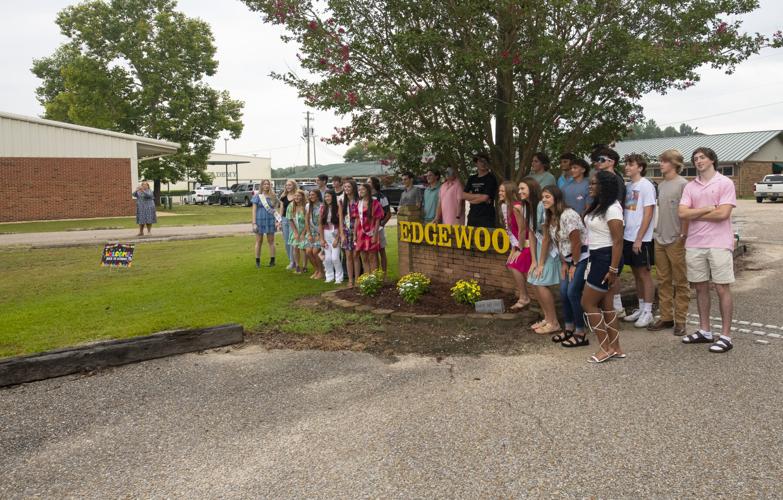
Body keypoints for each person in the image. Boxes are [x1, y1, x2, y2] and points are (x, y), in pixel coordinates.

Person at [679, 147, 737, 353]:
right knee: (700, 287)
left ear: (712, 160)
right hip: (695, 243)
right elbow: (682, 212)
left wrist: (694, 214)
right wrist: (706, 209)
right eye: (695, 159)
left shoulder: (725, 183)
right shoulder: (690, 186)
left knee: (722, 288)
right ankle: (705, 331)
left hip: (719, 243)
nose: (698, 161)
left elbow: (723, 214)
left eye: (702, 157)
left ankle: (726, 336)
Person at [581, 170, 625, 363]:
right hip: (597, 256)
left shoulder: (612, 209)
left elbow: (618, 241)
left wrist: (613, 269)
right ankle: (615, 347)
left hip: (606, 259)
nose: (589, 186)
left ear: (604, 186)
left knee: (588, 303)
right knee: (606, 305)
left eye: (593, 184)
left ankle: (604, 348)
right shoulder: (598, 206)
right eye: (589, 184)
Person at [540, 185, 591, 347]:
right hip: (568, 260)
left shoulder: (568, 215)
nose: (544, 200)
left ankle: (581, 332)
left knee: (572, 292)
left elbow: (576, 241)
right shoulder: (552, 216)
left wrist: (574, 264)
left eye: (547, 196)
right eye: (543, 197)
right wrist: (564, 263)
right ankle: (569, 328)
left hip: (581, 258)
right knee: (563, 293)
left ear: (556, 197)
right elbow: (559, 243)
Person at [648, 150, 689, 335]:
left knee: (680, 281)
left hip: (676, 240)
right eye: (660, 161)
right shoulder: (662, 185)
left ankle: (681, 320)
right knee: (663, 280)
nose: (660, 164)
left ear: (674, 163)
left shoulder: (683, 185)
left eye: (664, 161)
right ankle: (666, 318)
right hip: (660, 238)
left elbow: (687, 212)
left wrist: (683, 235)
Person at [621, 154, 657, 328]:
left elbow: (648, 213)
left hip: (641, 238)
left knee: (644, 274)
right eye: (626, 164)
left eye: (631, 164)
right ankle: (641, 307)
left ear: (640, 167)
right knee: (636, 274)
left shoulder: (646, 185)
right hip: (627, 236)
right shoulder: (628, 186)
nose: (627, 167)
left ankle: (649, 311)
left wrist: (639, 238)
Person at [591, 146, 627, 319]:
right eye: (596, 160)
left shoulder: (615, 180)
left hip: (608, 242)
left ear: (611, 162)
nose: (597, 163)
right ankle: (613, 306)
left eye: (601, 160)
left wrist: (613, 267)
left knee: (590, 301)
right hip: (597, 245)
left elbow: (615, 208)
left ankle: (618, 305)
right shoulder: (602, 179)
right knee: (604, 299)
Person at [526, 177, 561, 335]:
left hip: (549, 250)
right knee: (533, 279)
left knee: (540, 282)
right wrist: (533, 260)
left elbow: (546, 236)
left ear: (531, 190)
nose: (519, 192)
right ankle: (547, 317)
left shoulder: (541, 205)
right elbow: (531, 234)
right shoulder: (528, 206)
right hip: (539, 249)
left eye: (522, 189)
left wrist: (540, 263)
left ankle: (554, 322)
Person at [499, 181, 532, 310]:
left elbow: (523, 229)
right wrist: (513, 248)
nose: (500, 193)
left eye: (502, 191)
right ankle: (525, 297)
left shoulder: (517, 206)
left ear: (509, 192)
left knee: (514, 265)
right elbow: (512, 229)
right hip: (519, 243)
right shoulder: (506, 206)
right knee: (511, 264)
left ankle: (525, 297)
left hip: (528, 243)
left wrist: (519, 248)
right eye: (499, 191)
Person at [355, 183, 384, 273]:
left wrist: (375, 235)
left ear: (368, 190)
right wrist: (354, 235)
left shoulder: (375, 203)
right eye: (359, 190)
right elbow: (356, 220)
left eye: (363, 189)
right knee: (364, 257)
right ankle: (367, 278)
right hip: (361, 233)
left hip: (372, 233)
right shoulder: (358, 204)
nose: (361, 191)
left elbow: (378, 220)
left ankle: (374, 279)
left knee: (373, 257)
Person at [463, 153, 498, 228]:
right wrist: (479, 196)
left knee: (485, 239)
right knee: (471, 238)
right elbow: (463, 195)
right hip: (472, 216)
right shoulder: (472, 178)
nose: (483, 164)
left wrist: (471, 199)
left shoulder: (491, 178)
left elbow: (484, 198)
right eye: (481, 161)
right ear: (476, 163)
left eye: (485, 162)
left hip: (486, 217)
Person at [251, 179, 280, 268]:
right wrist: (254, 223)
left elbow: (275, 209)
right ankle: (257, 261)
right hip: (259, 220)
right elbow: (254, 210)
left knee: (271, 241)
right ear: (262, 186)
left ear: (270, 185)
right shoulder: (257, 196)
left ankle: (272, 261)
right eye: (265, 184)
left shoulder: (273, 196)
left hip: (270, 220)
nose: (266, 186)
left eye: (268, 184)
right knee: (259, 241)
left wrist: (276, 221)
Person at [338, 179, 360, 287]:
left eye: (349, 187)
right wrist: (341, 234)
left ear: (353, 188)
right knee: (348, 256)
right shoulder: (342, 200)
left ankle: (357, 279)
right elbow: (341, 218)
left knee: (356, 255)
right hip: (346, 230)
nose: (346, 189)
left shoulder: (358, 200)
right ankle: (350, 280)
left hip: (357, 230)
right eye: (345, 187)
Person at [319, 190, 344, 284]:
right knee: (327, 258)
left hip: (335, 233)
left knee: (335, 258)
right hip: (326, 234)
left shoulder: (338, 207)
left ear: (333, 197)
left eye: (329, 196)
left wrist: (337, 238)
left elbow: (341, 223)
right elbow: (320, 224)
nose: (327, 198)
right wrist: (322, 239)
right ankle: (329, 276)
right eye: (325, 197)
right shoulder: (322, 208)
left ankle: (339, 277)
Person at [369, 176, 392, 274]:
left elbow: (388, 214)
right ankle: (375, 273)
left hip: (379, 229)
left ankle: (384, 274)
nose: (367, 184)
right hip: (368, 229)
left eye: (369, 182)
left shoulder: (382, 197)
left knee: (381, 251)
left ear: (374, 184)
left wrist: (381, 225)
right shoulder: (365, 197)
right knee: (372, 252)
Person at [286, 189, 308, 274]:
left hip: (305, 230)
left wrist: (303, 233)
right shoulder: (291, 206)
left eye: (298, 196)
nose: (296, 197)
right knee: (295, 247)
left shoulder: (306, 206)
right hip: (295, 229)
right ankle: (298, 266)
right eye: (295, 196)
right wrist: (295, 232)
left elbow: (308, 221)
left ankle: (305, 266)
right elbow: (290, 220)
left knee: (304, 248)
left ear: (302, 197)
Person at [279, 179, 299, 270]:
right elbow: (281, 209)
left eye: (290, 185)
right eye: (287, 185)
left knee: (292, 241)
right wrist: (279, 221)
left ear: (294, 185)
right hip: (284, 220)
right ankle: (291, 261)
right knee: (287, 241)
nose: (288, 187)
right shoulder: (283, 196)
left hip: (294, 220)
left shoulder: (297, 196)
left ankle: (294, 261)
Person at [304, 189, 324, 279]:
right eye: (310, 195)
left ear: (318, 196)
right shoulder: (308, 206)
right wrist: (309, 233)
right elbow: (307, 221)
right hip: (311, 231)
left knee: (315, 252)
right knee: (308, 252)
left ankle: (322, 271)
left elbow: (323, 222)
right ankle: (317, 270)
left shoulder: (322, 206)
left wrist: (320, 235)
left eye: (313, 195)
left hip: (321, 232)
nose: (311, 196)